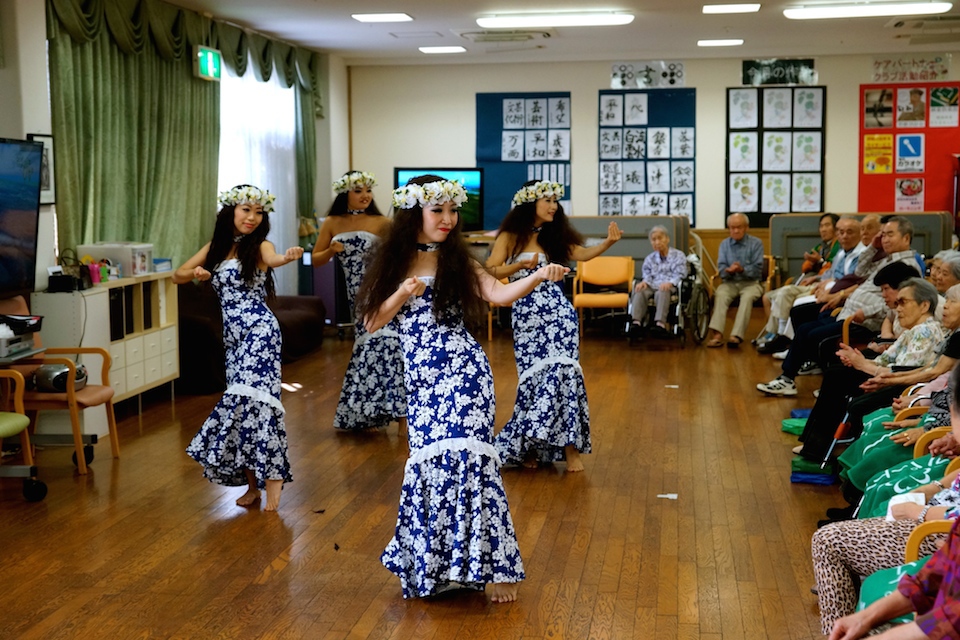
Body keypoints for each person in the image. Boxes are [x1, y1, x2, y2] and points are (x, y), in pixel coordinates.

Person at [355, 175, 569, 603]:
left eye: (453, 211)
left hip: (466, 372)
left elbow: (499, 294)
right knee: (433, 464)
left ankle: (496, 568)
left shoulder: (459, 261)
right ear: (415, 212)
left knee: (472, 459)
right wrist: (401, 293)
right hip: (423, 379)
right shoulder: (394, 263)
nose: (449, 219)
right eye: (439, 211)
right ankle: (437, 566)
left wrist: (539, 275)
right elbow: (371, 321)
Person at [173, 184, 304, 512]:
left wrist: (285, 258)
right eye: (247, 210)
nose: (253, 217)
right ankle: (252, 487)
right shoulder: (215, 248)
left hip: (260, 332)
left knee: (260, 404)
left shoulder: (261, 246)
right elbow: (177, 275)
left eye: (259, 212)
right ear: (230, 211)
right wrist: (197, 272)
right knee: (244, 408)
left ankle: (272, 482)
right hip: (233, 339)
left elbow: (272, 259)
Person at [485, 180, 621, 473]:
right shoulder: (510, 237)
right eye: (546, 200)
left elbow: (581, 254)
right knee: (535, 381)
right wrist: (520, 268)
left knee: (565, 373)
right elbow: (491, 270)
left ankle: (572, 452)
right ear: (529, 203)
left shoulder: (553, 235)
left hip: (559, 315)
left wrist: (608, 243)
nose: (553, 206)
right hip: (528, 315)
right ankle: (530, 446)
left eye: (555, 200)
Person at [826, 367, 960, 640]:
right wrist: (868, 616)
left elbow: (952, 619)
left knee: (831, 541)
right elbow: (942, 567)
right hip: (940, 515)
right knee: (882, 487)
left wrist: (920, 512)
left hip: (934, 524)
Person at [758, 216, 921, 396]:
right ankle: (796, 373)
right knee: (803, 320)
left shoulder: (908, 267)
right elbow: (859, 272)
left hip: (864, 321)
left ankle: (792, 377)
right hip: (848, 312)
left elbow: (897, 305)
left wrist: (865, 312)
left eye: (890, 235)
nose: (885, 239)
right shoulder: (887, 258)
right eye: (883, 235)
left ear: (906, 238)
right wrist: (873, 247)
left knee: (812, 334)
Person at [311, 170, 405, 432]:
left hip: (382, 289)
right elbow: (317, 259)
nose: (365, 196)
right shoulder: (332, 222)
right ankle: (369, 411)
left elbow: (399, 258)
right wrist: (330, 250)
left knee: (386, 344)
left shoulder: (382, 222)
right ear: (345, 193)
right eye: (358, 191)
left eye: (368, 190)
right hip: (357, 294)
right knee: (369, 345)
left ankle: (402, 417)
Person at [756, 213, 842, 353]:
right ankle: (773, 332)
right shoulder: (821, 246)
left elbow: (830, 270)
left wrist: (819, 261)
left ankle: (783, 338)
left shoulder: (837, 247)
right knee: (767, 297)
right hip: (813, 280)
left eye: (827, 225)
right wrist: (811, 261)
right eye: (821, 226)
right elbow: (805, 267)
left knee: (787, 296)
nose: (823, 229)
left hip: (823, 286)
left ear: (835, 228)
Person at [706, 212, 764, 348]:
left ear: (746, 228)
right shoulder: (724, 245)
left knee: (747, 298)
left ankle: (736, 335)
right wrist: (728, 271)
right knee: (720, 294)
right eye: (732, 228)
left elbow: (758, 269)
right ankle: (717, 335)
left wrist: (742, 269)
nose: (735, 231)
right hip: (730, 282)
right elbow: (721, 268)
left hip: (751, 283)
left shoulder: (756, 243)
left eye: (739, 227)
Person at [628, 224, 687, 338]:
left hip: (669, 285)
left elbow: (681, 274)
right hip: (652, 284)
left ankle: (660, 323)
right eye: (654, 239)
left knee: (662, 291)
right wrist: (644, 282)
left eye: (660, 238)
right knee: (640, 290)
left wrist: (670, 283)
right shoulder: (650, 258)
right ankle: (636, 323)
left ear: (667, 239)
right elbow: (647, 274)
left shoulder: (678, 255)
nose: (657, 242)